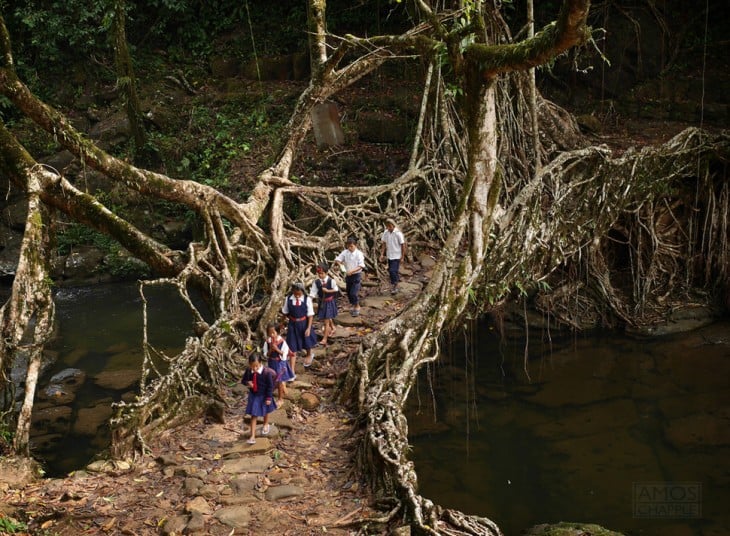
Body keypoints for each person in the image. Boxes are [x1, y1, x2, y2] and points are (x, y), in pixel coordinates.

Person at [241, 353, 277, 445]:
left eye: (256, 366)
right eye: (253, 366)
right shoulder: (249, 371)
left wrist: (269, 397)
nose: (255, 369)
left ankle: (265, 424)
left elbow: (270, 386)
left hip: (264, 395)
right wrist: (248, 383)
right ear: (249, 365)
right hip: (254, 395)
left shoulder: (266, 373)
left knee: (265, 411)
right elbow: (243, 381)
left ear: (260, 363)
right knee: (254, 414)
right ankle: (252, 436)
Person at [281, 281, 317, 369]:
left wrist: (308, 328)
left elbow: (310, 315)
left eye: (299, 294)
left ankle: (309, 354)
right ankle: (292, 370)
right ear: (292, 291)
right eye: (295, 294)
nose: (297, 296)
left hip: (304, 323)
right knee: (292, 345)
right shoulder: (288, 299)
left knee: (306, 341)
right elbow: (285, 312)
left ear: (303, 292)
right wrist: (281, 324)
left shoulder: (306, 299)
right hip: (292, 324)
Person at [333, 235, 366, 316]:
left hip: (356, 275)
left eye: (351, 246)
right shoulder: (345, 252)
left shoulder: (359, 254)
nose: (350, 248)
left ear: (355, 245)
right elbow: (338, 259)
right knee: (348, 291)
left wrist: (352, 271)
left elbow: (361, 265)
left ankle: (357, 306)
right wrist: (339, 264)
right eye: (348, 246)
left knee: (353, 293)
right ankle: (353, 305)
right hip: (348, 275)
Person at [262, 322, 294, 404]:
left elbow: (284, 354)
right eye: (270, 333)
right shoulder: (267, 342)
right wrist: (270, 350)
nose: (272, 335)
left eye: (273, 333)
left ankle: (280, 399)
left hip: (280, 363)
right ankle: (269, 396)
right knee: (271, 378)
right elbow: (265, 354)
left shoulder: (282, 342)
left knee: (279, 379)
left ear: (278, 332)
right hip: (271, 362)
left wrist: (277, 349)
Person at [309, 263, 338, 346]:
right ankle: (333, 327)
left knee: (326, 320)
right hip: (321, 302)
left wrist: (328, 291)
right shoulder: (316, 282)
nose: (320, 275)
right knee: (326, 317)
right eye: (319, 274)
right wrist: (309, 300)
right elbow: (313, 292)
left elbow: (336, 289)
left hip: (329, 302)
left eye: (322, 273)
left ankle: (325, 338)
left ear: (326, 273)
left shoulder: (331, 281)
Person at [380, 218, 407, 295]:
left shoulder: (398, 233)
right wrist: (382, 254)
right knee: (391, 271)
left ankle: (395, 286)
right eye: (387, 226)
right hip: (390, 255)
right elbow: (384, 243)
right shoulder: (386, 233)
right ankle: (395, 282)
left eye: (390, 226)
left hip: (397, 255)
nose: (388, 228)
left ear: (393, 225)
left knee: (392, 271)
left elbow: (402, 245)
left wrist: (402, 256)